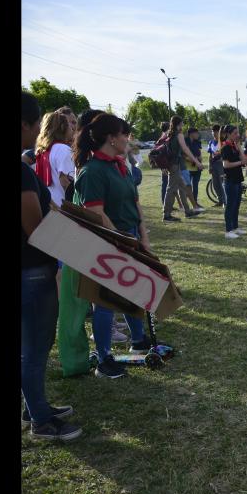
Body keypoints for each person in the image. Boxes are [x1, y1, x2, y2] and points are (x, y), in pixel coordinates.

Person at [72, 113, 154, 379]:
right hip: (107, 240)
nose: (127, 139)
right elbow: (96, 213)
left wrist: (142, 236)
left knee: (132, 291)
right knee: (105, 302)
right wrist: (120, 238)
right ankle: (104, 359)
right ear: (111, 138)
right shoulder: (92, 171)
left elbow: (135, 202)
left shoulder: (119, 165)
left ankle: (138, 341)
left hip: (128, 236)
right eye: (123, 134)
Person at [21, 90, 82, 440]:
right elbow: (37, 228)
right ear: (26, 124)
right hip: (33, 270)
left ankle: (36, 406)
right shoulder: (23, 173)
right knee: (35, 347)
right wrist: (77, 250)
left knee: (31, 347)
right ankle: (42, 420)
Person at [162, 116, 205, 222]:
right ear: (178, 124)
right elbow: (185, 149)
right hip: (175, 165)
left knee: (183, 187)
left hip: (173, 164)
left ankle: (188, 211)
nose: (183, 125)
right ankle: (166, 215)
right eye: (182, 123)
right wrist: (197, 162)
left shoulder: (170, 134)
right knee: (171, 189)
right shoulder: (179, 134)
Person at [34, 110, 77, 207]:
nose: (72, 129)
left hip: (49, 205)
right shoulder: (63, 149)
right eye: (69, 125)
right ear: (63, 128)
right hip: (63, 207)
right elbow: (65, 181)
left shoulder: (44, 150)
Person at [220, 124, 247, 239]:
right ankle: (228, 231)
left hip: (237, 179)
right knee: (230, 206)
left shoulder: (234, 146)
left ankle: (235, 227)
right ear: (228, 134)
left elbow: (244, 159)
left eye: (238, 133)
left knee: (236, 205)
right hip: (230, 180)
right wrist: (240, 163)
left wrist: (239, 147)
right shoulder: (225, 147)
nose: (237, 135)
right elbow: (226, 165)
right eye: (235, 133)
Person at [207, 124, 226, 206]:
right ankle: (220, 200)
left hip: (221, 165)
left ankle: (225, 201)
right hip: (214, 165)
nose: (214, 133)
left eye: (216, 131)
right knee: (215, 184)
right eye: (213, 131)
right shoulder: (211, 142)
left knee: (223, 183)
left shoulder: (223, 142)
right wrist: (209, 165)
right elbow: (210, 155)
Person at [186, 127, 204, 202]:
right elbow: (184, 155)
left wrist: (199, 159)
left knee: (195, 187)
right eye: (196, 133)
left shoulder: (197, 142)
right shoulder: (185, 141)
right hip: (188, 168)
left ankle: (195, 203)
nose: (198, 134)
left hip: (197, 168)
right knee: (187, 187)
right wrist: (192, 159)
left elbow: (199, 153)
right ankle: (185, 204)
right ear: (191, 134)